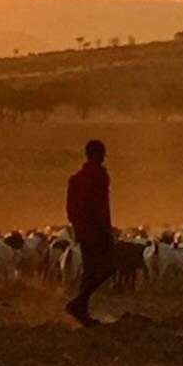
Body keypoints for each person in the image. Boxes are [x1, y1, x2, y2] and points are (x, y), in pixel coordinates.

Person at [65, 139, 115, 326]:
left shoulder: (75, 179)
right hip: (97, 232)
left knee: (89, 271)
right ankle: (78, 304)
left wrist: (79, 228)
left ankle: (82, 311)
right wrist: (106, 231)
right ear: (97, 154)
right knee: (108, 268)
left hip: (83, 233)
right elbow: (101, 207)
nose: (104, 157)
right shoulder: (99, 177)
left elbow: (70, 210)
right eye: (102, 153)